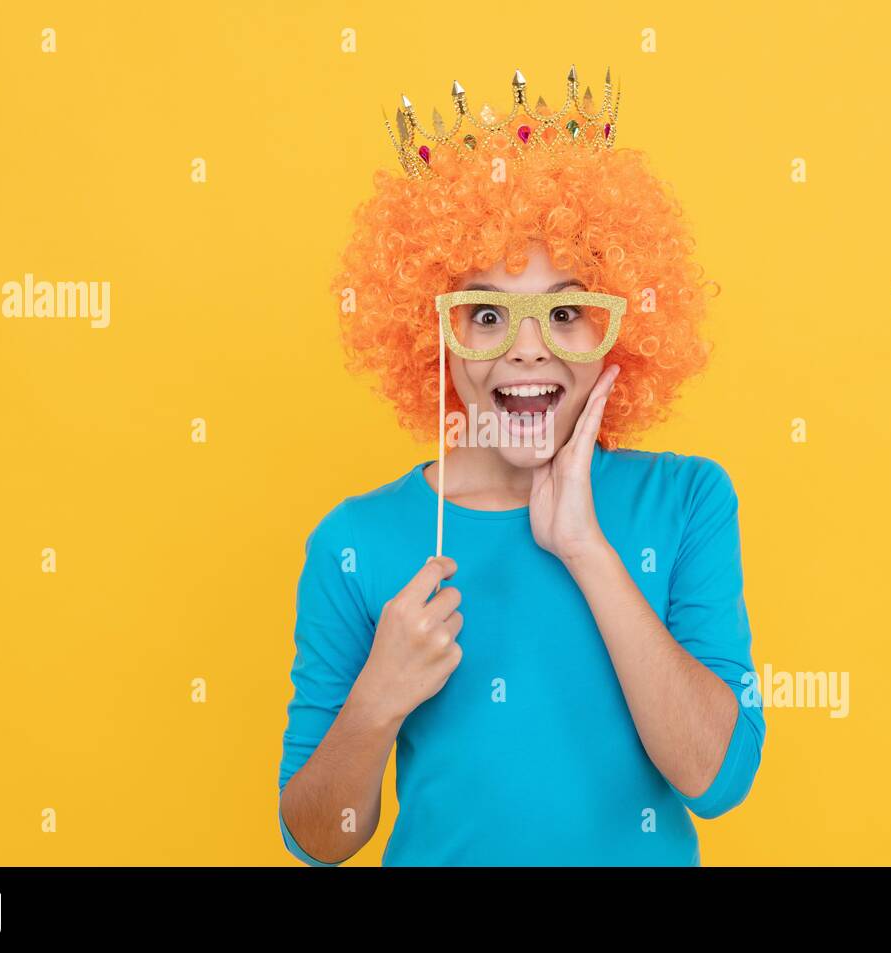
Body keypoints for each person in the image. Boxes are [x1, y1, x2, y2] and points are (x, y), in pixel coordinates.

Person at [277, 66, 765, 865]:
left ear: (620, 330)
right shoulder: (355, 541)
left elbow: (717, 780)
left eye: (566, 311)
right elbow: (319, 842)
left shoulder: (685, 501)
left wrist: (587, 550)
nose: (527, 345)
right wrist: (376, 701)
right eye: (486, 314)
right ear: (432, 334)